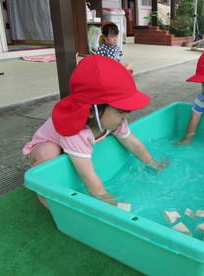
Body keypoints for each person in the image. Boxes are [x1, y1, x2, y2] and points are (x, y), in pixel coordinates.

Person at [23, 55, 166, 207]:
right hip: (43, 149)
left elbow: (134, 144)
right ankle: (43, 190)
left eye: (128, 111)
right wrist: (105, 199)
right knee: (48, 152)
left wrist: (152, 163)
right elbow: (87, 175)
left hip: (70, 147)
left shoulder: (116, 121)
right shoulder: (75, 131)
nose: (126, 117)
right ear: (92, 111)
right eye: (120, 111)